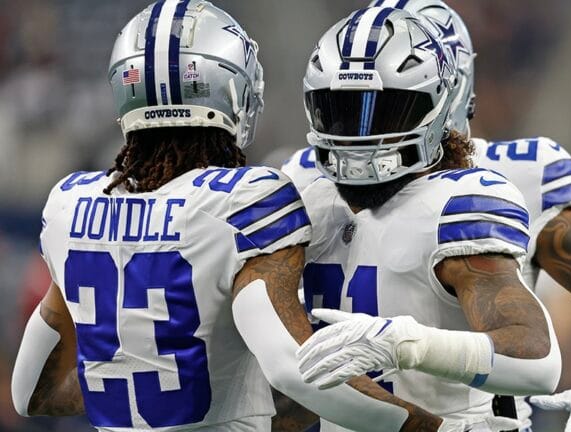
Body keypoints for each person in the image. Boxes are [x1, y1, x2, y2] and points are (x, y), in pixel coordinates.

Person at [9, 2, 472, 431]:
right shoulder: (245, 201)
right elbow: (295, 368)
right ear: (233, 90)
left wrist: (142, 379)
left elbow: (30, 392)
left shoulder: (74, 202)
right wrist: (431, 426)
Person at [285, 2, 571, 431]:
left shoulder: (504, 180)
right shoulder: (301, 180)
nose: (363, 125)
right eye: (345, 106)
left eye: (388, 103)